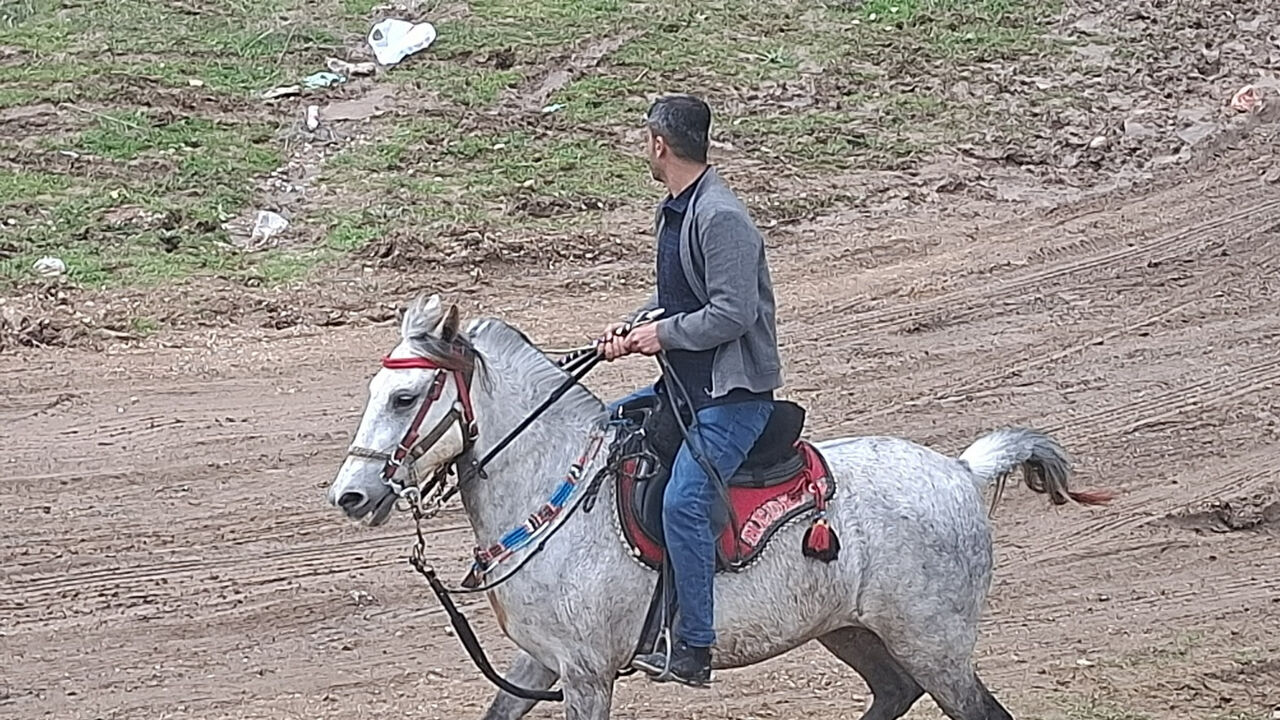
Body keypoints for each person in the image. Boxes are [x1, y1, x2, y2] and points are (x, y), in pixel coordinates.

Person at [600, 93, 783, 687]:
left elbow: (730, 314)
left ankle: (694, 646)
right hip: (684, 388)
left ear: (660, 143)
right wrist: (635, 326)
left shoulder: (721, 217)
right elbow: (681, 301)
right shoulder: (677, 209)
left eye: (644, 140)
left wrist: (662, 333)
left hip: (731, 400)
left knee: (683, 502)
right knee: (602, 430)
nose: (643, 149)